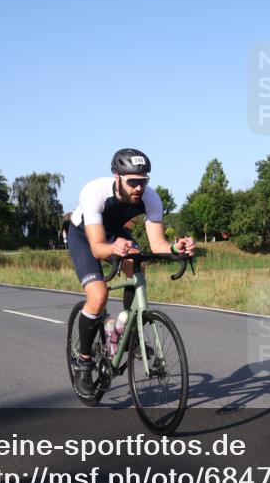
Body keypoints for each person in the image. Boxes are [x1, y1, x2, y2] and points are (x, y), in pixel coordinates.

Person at [67, 148, 195, 396]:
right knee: (98, 295)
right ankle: (84, 361)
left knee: (138, 263)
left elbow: (157, 245)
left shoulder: (151, 198)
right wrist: (111, 248)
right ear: (117, 177)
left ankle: (127, 330)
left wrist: (175, 248)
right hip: (85, 236)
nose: (138, 187)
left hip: (115, 234)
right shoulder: (95, 192)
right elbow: (97, 247)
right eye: (132, 181)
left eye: (143, 181)